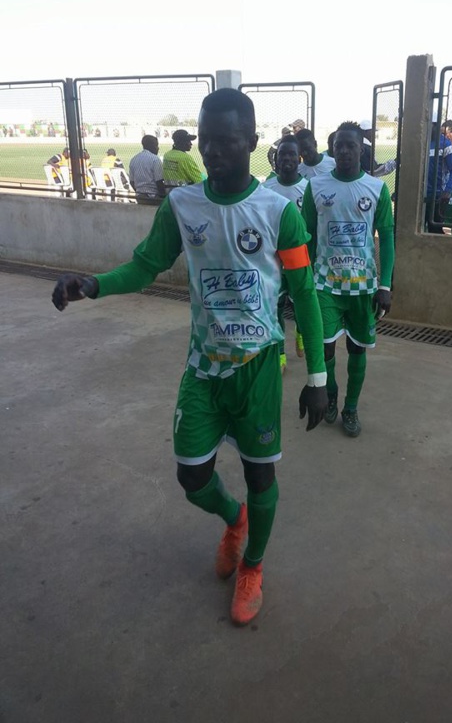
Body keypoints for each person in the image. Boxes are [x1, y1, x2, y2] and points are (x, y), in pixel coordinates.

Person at [51, 88, 328, 627]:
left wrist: (317, 375)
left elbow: (306, 294)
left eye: (226, 142)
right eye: (207, 141)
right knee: (192, 477)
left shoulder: (279, 212)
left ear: (253, 142)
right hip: (203, 369)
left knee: (261, 476)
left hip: (257, 371)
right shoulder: (182, 206)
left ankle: (253, 565)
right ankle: (234, 520)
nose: (214, 152)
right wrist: (93, 284)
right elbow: (144, 267)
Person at [301, 121, 395, 438]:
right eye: (338, 145)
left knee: (357, 351)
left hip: (362, 288)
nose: (343, 150)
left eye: (350, 145)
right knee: (326, 350)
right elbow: (307, 239)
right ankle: (330, 396)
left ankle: (350, 407)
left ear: (361, 149)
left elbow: (389, 238)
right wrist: (302, 283)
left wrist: (385, 286)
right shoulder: (317, 187)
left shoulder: (376, 189)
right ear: (333, 148)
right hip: (324, 286)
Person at [263, 135, 309, 370]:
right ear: (276, 159)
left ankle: (301, 332)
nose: (287, 158)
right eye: (283, 154)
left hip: (300, 258)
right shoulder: (267, 188)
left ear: (299, 158)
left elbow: (312, 225)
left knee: (300, 303)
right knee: (277, 305)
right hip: (273, 259)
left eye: (292, 153)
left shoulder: (308, 188)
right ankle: (280, 353)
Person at [425, 119, 452, 234]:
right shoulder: (423, 142)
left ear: (436, 126)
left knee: (434, 229)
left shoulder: (446, 144)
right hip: (421, 194)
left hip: (437, 195)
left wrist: (448, 191)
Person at [129, 135, 165, 205]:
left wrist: (139, 192)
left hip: (139, 197)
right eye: (156, 145)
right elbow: (159, 182)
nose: (158, 148)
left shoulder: (134, 159)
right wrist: (164, 198)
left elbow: (131, 182)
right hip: (153, 197)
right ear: (152, 146)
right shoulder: (155, 159)